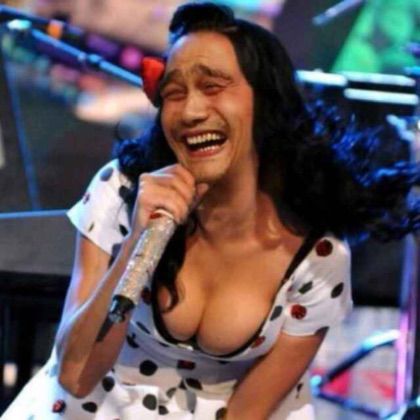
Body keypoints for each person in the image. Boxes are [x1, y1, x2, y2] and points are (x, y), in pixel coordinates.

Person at [3, 2, 419, 419]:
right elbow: (75, 376)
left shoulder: (315, 256)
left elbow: (247, 412)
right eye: (174, 93)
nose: (190, 112)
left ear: (265, 103)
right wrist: (138, 243)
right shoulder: (123, 191)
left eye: (213, 86)